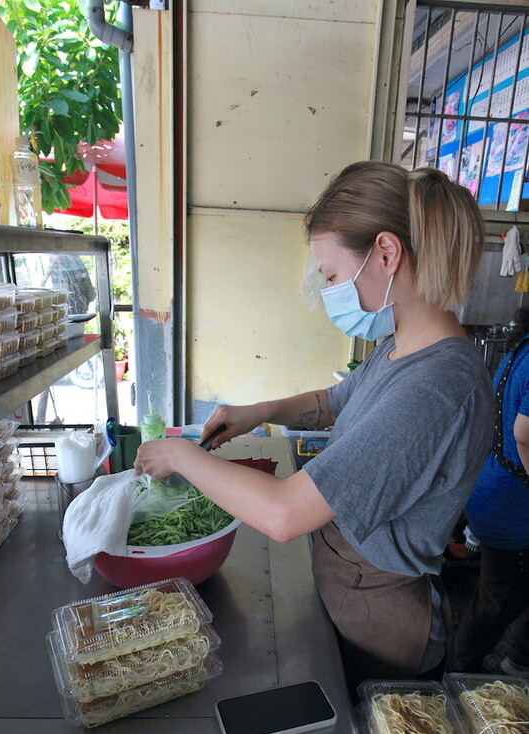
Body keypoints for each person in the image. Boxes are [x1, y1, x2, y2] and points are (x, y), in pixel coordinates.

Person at [134, 160, 494, 698]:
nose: (329, 292)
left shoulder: (436, 388)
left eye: (330, 275)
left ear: (388, 254)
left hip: (381, 620)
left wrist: (183, 457)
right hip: (347, 586)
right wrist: (255, 411)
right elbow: (332, 403)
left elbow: (284, 514)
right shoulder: (399, 349)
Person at [454, 307, 529, 676]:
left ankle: (517, 660)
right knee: (496, 599)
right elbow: (524, 436)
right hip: (513, 501)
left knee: (509, 590)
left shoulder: (521, 348)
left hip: (494, 484)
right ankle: (460, 674)